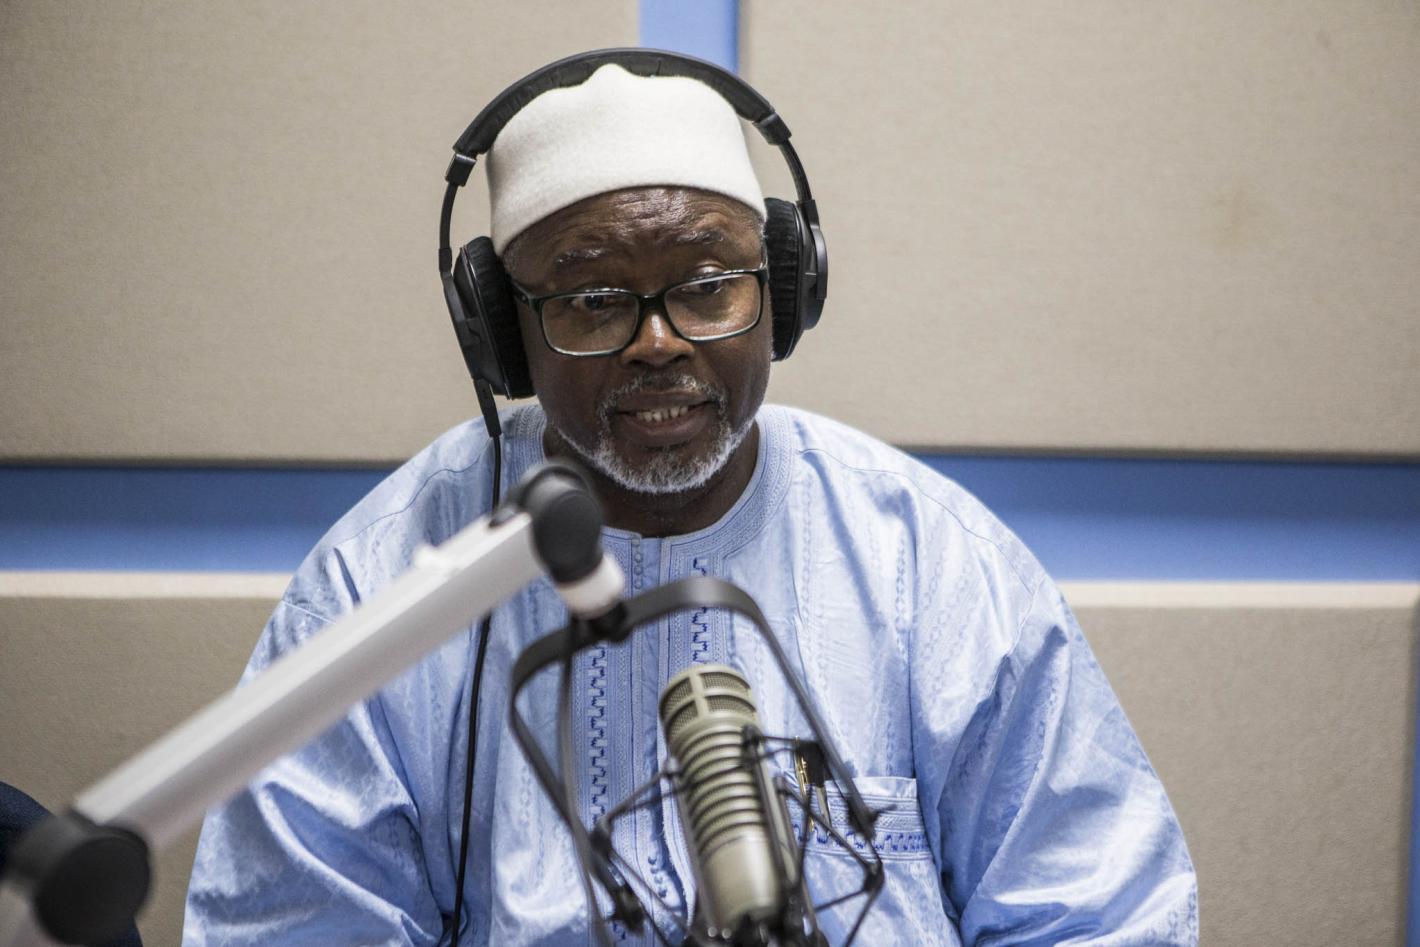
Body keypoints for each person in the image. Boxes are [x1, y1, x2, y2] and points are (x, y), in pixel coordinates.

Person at [183, 57, 1197, 946]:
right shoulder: (377, 591)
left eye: (709, 285)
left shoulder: (931, 564)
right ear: (502, 335)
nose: (658, 342)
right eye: (593, 300)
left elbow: (1100, 914)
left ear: (783, 292)